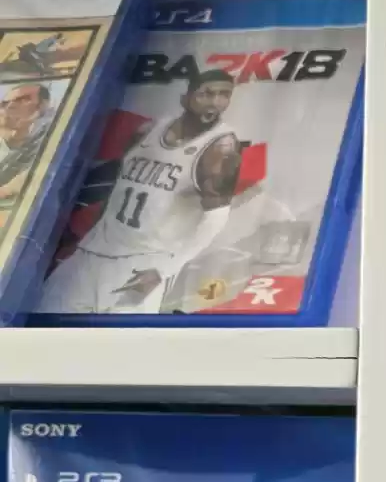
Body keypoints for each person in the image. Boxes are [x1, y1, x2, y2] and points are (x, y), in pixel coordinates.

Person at [41, 68, 241, 314]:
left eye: (224, 95)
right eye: (207, 93)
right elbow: (117, 189)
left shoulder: (221, 146)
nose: (215, 102)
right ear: (187, 97)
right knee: (41, 324)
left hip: (144, 262)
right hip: (93, 250)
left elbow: (216, 218)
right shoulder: (151, 128)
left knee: (118, 337)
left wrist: (163, 271)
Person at [0, 82, 53, 204]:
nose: (11, 106)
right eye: (5, 103)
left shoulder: (49, 138)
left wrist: (6, 190)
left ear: (42, 106)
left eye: (22, 100)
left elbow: (42, 172)